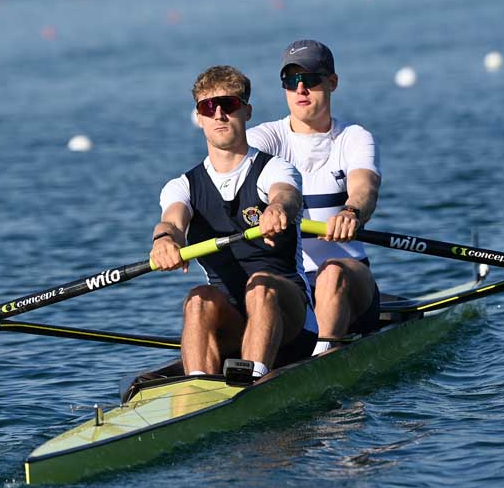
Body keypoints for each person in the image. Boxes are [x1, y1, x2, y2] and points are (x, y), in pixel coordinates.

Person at [150, 65, 318, 380]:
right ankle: (198, 385)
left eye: (228, 105)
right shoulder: (182, 186)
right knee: (198, 298)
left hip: (291, 321)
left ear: (246, 111)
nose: (219, 115)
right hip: (231, 320)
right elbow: (171, 222)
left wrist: (277, 208)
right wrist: (164, 241)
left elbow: (286, 195)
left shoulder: (275, 169)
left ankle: (251, 380)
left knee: (260, 286)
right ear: (199, 117)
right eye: (208, 107)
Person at [247, 39, 382, 356]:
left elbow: (365, 189)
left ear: (332, 82)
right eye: (291, 80)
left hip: (350, 279)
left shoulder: (354, 138)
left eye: (310, 79)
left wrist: (351, 212)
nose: (301, 89)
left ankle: (321, 359)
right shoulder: (263, 139)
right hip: (292, 285)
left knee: (331, 272)